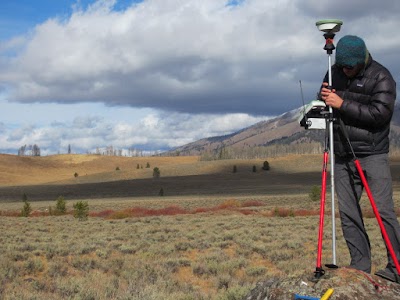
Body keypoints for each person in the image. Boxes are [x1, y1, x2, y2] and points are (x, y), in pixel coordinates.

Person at [319, 35, 400, 282]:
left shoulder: (382, 77)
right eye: (342, 66)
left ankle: (396, 268)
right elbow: (324, 98)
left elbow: (379, 115)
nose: (345, 70)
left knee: (383, 211)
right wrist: (322, 100)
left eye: (349, 67)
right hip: (342, 153)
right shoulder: (334, 71)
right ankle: (360, 266)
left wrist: (341, 103)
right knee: (348, 212)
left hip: (372, 154)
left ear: (362, 60)